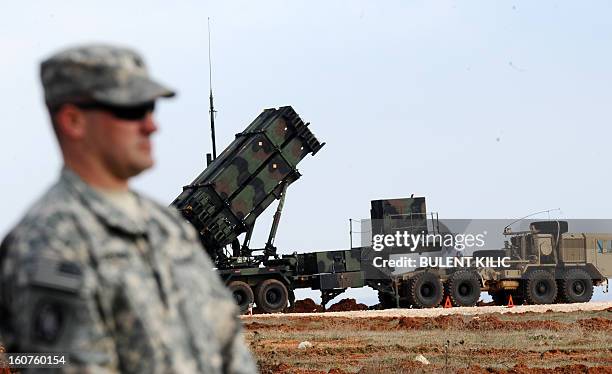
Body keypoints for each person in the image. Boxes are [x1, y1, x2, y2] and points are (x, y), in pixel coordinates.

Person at [0, 44, 258, 374]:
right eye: (131, 110)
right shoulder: (48, 246)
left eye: (150, 108)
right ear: (74, 121)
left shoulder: (167, 227)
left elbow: (228, 345)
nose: (151, 125)